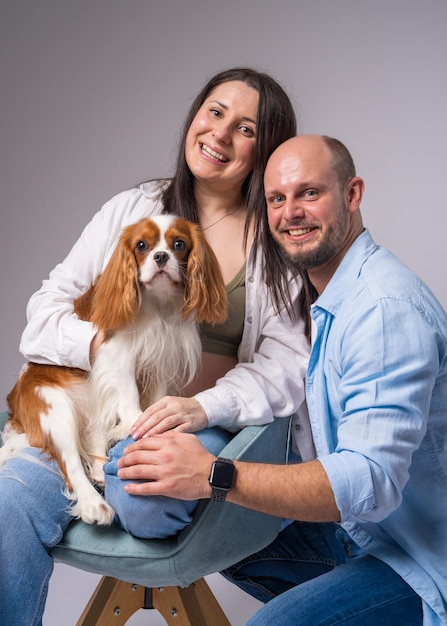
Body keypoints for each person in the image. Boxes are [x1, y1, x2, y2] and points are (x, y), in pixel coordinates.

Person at [0, 69, 310, 625]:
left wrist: (201, 407)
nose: (221, 134)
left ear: (264, 148)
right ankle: (94, 470)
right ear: (195, 115)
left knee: (145, 498)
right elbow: (42, 317)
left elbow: (288, 366)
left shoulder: (275, 236)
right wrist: (104, 347)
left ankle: (115, 475)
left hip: (196, 425)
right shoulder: (131, 209)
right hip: (95, 412)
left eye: (245, 127)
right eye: (214, 112)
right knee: (8, 504)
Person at [115, 135, 447, 626]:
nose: (291, 212)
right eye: (277, 198)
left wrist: (214, 474)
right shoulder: (328, 299)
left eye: (309, 193)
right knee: (212, 532)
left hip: (419, 560)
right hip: (360, 533)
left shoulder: (381, 309)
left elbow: (370, 482)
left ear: (352, 194)